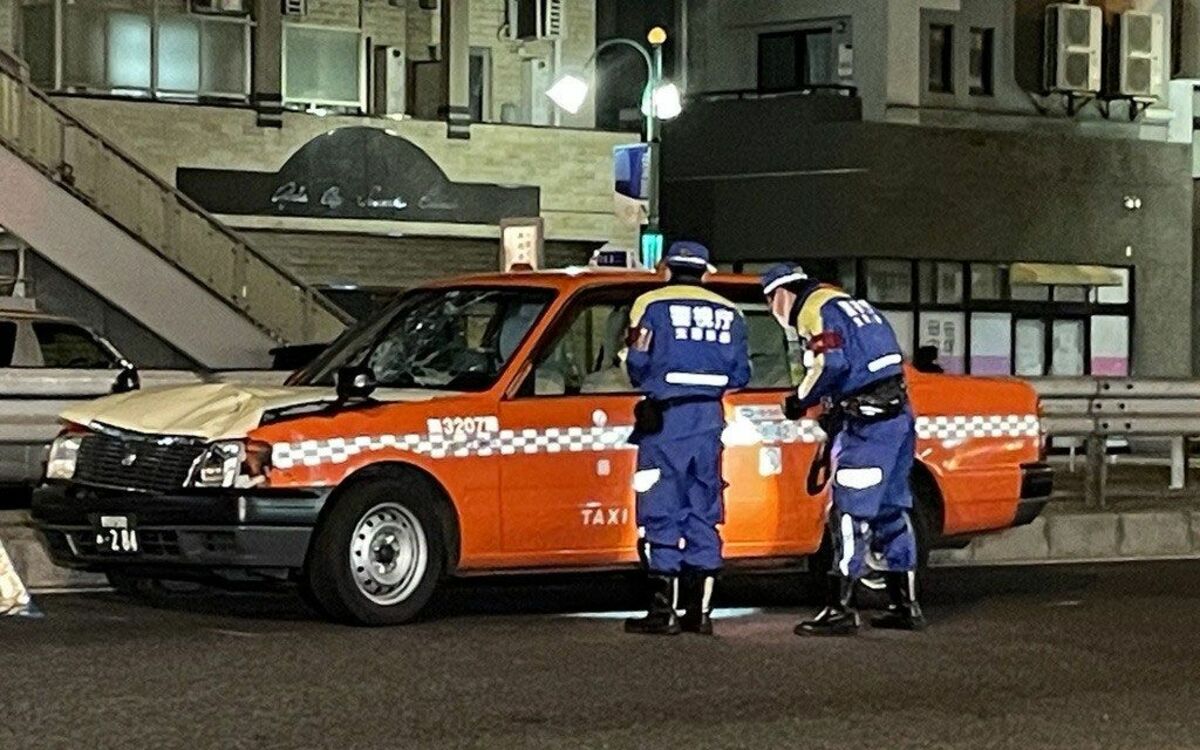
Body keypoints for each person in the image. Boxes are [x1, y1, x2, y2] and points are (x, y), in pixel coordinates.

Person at [760, 264, 925, 636]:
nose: (774, 311)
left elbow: (830, 363)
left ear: (782, 294)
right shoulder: (856, 305)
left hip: (867, 427)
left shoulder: (815, 310)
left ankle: (840, 608)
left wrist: (800, 400)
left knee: (849, 514)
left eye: (771, 301)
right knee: (891, 510)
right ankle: (906, 605)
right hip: (897, 417)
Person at [623, 241, 751, 636]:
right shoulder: (731, 312)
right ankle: (703, 614)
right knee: (703, 510)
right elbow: (741, 374)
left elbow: (637, 362)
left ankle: (663, 612)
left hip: (666, 421)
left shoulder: (650, 304)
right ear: (705, 272)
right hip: (710, 420)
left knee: (661, 506)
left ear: (667, 268)